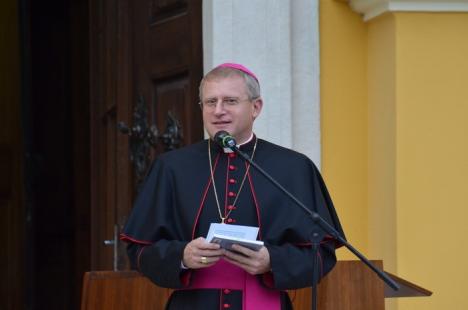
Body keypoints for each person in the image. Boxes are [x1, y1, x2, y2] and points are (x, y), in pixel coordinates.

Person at [120, 63, 345, 310]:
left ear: (256, 107)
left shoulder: (293, 167)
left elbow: (321, 254)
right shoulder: (171, 167)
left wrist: (273, 261)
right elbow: (139, 250)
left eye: (230, 101)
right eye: (210, 102)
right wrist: (181, 256)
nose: (218, 111)